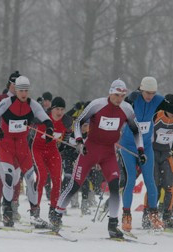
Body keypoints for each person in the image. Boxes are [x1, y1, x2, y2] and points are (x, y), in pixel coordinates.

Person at [54, 79, 144, 238]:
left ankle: (113, 225)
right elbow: (78, 123)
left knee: (115, 186)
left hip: (109, 153)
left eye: (122, 95)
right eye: (116, 95)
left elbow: (136, 131)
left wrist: (141, 150)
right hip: (90, 150)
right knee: (75, 184)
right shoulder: (97, 104)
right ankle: (56, 216)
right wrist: (80, 140)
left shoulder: (127, 108)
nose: (119, 98)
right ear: (110, 93)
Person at [0, 75, 53, 227]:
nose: (24, 93)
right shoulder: (6, 102)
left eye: (26, 90)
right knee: (9, 178)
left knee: (31, 179)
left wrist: (49, 129)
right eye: (21, 90)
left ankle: (35, 215)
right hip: (6, 146)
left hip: (23, 147)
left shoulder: (33, 105)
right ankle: (7, 214)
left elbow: (46, 119)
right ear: (16, 91)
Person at [120, 77, 173, 231]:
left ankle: (153, 214)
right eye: (147, 93)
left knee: (151, 181)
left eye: (152, 93)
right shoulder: (133, 99)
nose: (150, 96)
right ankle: (126, 215)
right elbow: (118, 111)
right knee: (130, 180)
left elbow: (170, 106)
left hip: (146, 146)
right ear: (141, 89)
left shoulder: (157, 100)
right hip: (129, 146)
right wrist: (128, 100)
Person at [31, 96, 72, 226]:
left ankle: (53, 212)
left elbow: (68, 135)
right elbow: (29, 124)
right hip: (37, 149)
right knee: (42, 176)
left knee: (57, 180)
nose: (59, 112)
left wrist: (65, 145)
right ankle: (34, 211)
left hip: (53, 151)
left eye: (62, 109)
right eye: (57, 109)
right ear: (51, 109)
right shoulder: (43, 118)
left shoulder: (66, 121)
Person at [0, 71, 23, 222]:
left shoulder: (25, 100)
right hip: (4, 142)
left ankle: (14, 207)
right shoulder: (1, 98)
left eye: (20, 86)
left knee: (17, 177)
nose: (17, 88)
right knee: (4, 176)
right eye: (15, 85)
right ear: (9, 84)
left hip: (20, 142)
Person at [146, 94, 173, 228]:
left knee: (169, 186)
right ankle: (148, 216)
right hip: (153, 153)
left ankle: (167, 216)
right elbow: (147, 133)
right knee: (154, 185)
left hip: (167, 154)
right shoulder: (157, 116)